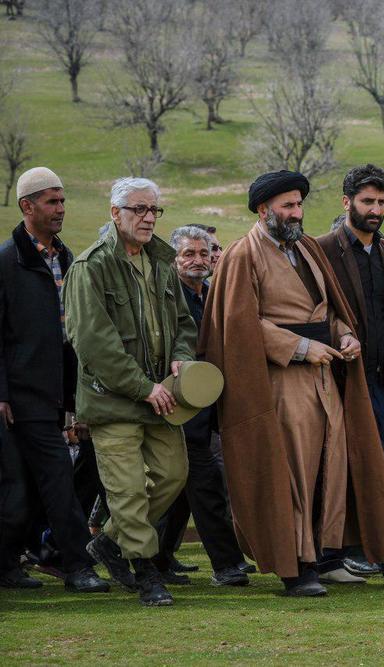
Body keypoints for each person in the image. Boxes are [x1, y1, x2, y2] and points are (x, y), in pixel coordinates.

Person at [200, 170, 384, 596]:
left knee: (328, 470)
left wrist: (344, 334)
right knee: (293, 473)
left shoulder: (308, 248)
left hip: (324, 378)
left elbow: (329, 309)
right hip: (280, 383)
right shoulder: (243, 255)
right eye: (287, 206)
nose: (296, 213)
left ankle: (323, 555)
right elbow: (239, 323)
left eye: (299, 204)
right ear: (264, 210)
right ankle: (296, 568)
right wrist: (300, 347)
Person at [63, 177, 198, 606]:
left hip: (162, 396)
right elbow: (93, 343)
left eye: (153, 210)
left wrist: (181, 359)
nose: (147, 218)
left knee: (174, 475)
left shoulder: (162, 262)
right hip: (112, 400)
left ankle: (108, 542)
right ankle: (145, 572)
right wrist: (143, 388)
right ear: (114, 212)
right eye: (137, 209)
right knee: (127, 490)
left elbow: (183, 324)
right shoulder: (90, 267)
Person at [315, 164, 384, 588]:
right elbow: (315, 314)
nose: (376, 210)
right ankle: (336, 558)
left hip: (383, 383)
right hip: (337, 383)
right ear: (347, 203)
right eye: (367, 202)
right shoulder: (321, 250)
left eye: (381, 202)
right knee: (333, 471)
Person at [0, 167, 108, 593]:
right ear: (27, 206)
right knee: (36, 488)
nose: (61, 209)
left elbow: (71, 338)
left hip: (53, 396)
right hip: (18, 397)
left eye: (63, 200)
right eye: (51, 201)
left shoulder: (66, 258)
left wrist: (75, 402)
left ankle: (18, 565)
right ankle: (75, 566)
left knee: (39, 487)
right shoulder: (7, 262)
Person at [152, 226, 250, 588]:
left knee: (182, 491)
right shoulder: (167, 299)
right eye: (188, 254)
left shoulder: (210, 293)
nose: (198, 260)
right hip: (178, 406)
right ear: (175, 259)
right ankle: (228, 564)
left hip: (209, 406)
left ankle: (159, 559)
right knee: (205, 484)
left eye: (203, 253)